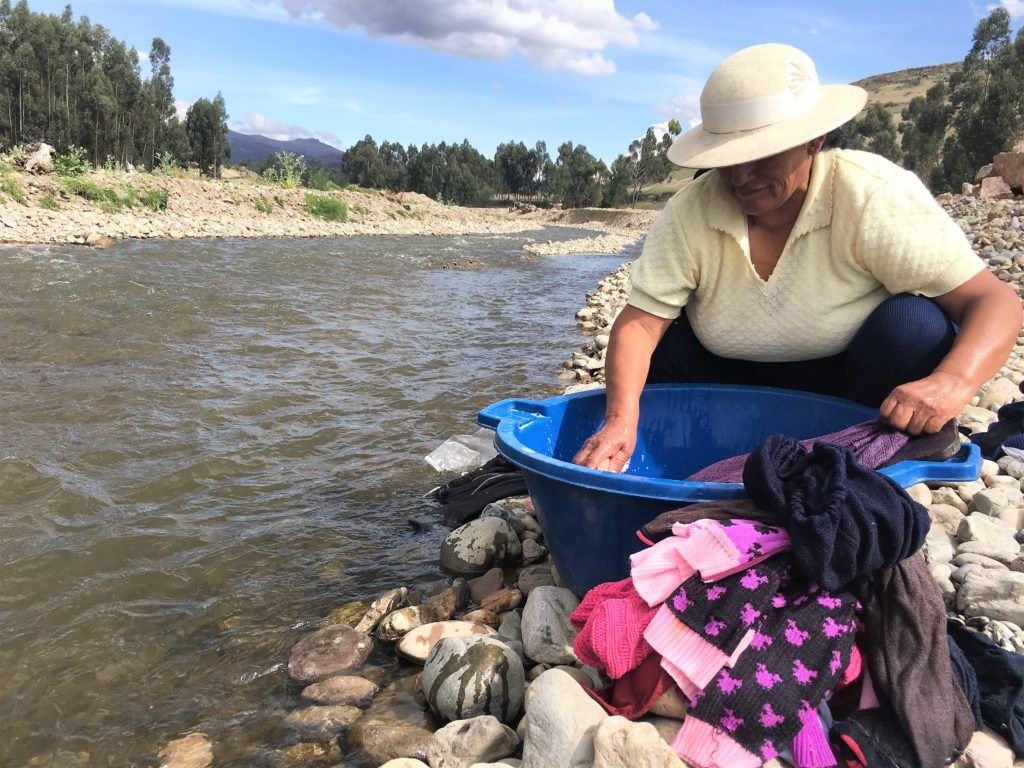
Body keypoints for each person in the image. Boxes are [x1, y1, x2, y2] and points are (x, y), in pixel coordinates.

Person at [575, 43, 1022, 472]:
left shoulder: (870, 193)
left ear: (814, 140)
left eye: (760, 156)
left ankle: (862, 456)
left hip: (846, 392)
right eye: (728, 158)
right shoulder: (691, 210)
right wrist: (619, 419)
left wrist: (951, 385)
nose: (741, 176)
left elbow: (994, 301)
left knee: (914, 327)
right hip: (726, 389)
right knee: (664, 343)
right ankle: (680, 453)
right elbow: (640, 322)